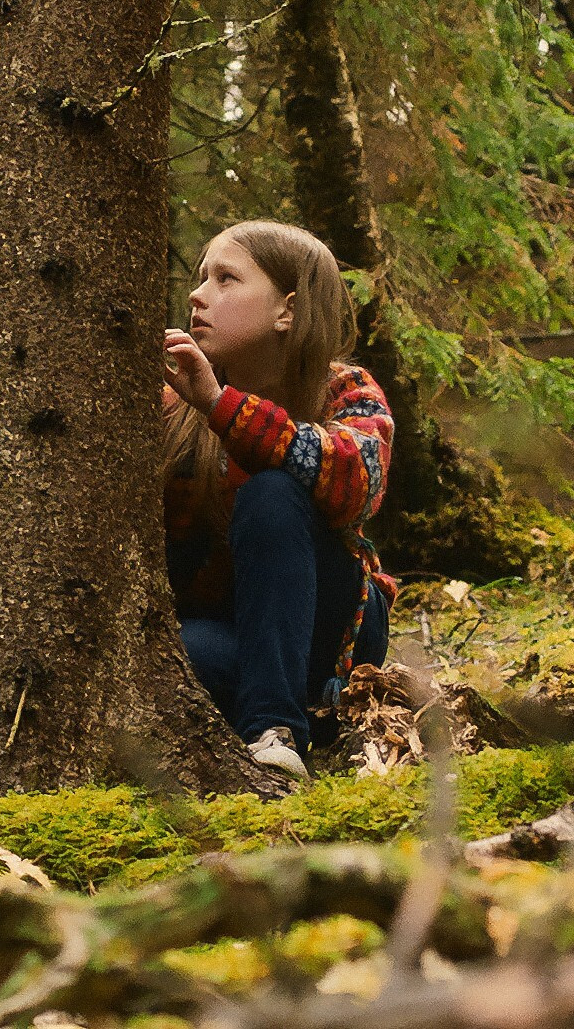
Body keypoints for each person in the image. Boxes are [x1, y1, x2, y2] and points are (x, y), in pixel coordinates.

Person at [162, 220, 396, 780]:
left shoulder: (347, 389)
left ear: (287, 310)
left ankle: (275, 731)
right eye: (200, 278)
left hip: (332, 628)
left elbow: (354, 479)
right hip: (232, 631)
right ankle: (288, 711)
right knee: (183, 654)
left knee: (272, 490)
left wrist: (221, 406)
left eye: (226, 279)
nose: (198, 295)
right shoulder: (172, 402)